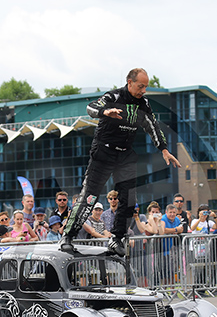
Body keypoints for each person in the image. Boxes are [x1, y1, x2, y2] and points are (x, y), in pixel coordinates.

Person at [60, 67, 181, 256]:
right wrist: (105, 111)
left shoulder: (144, 103)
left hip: (125, 155)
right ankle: (68, 236)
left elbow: (152, 125)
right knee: (90, 197)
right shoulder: (114, 96)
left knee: (129, 199)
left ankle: (116, 238)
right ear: (130, 82)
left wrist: (163, 149)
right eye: (140, 86)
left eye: (146, 87)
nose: (143, 91)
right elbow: (90, 107)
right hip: (104, 152)